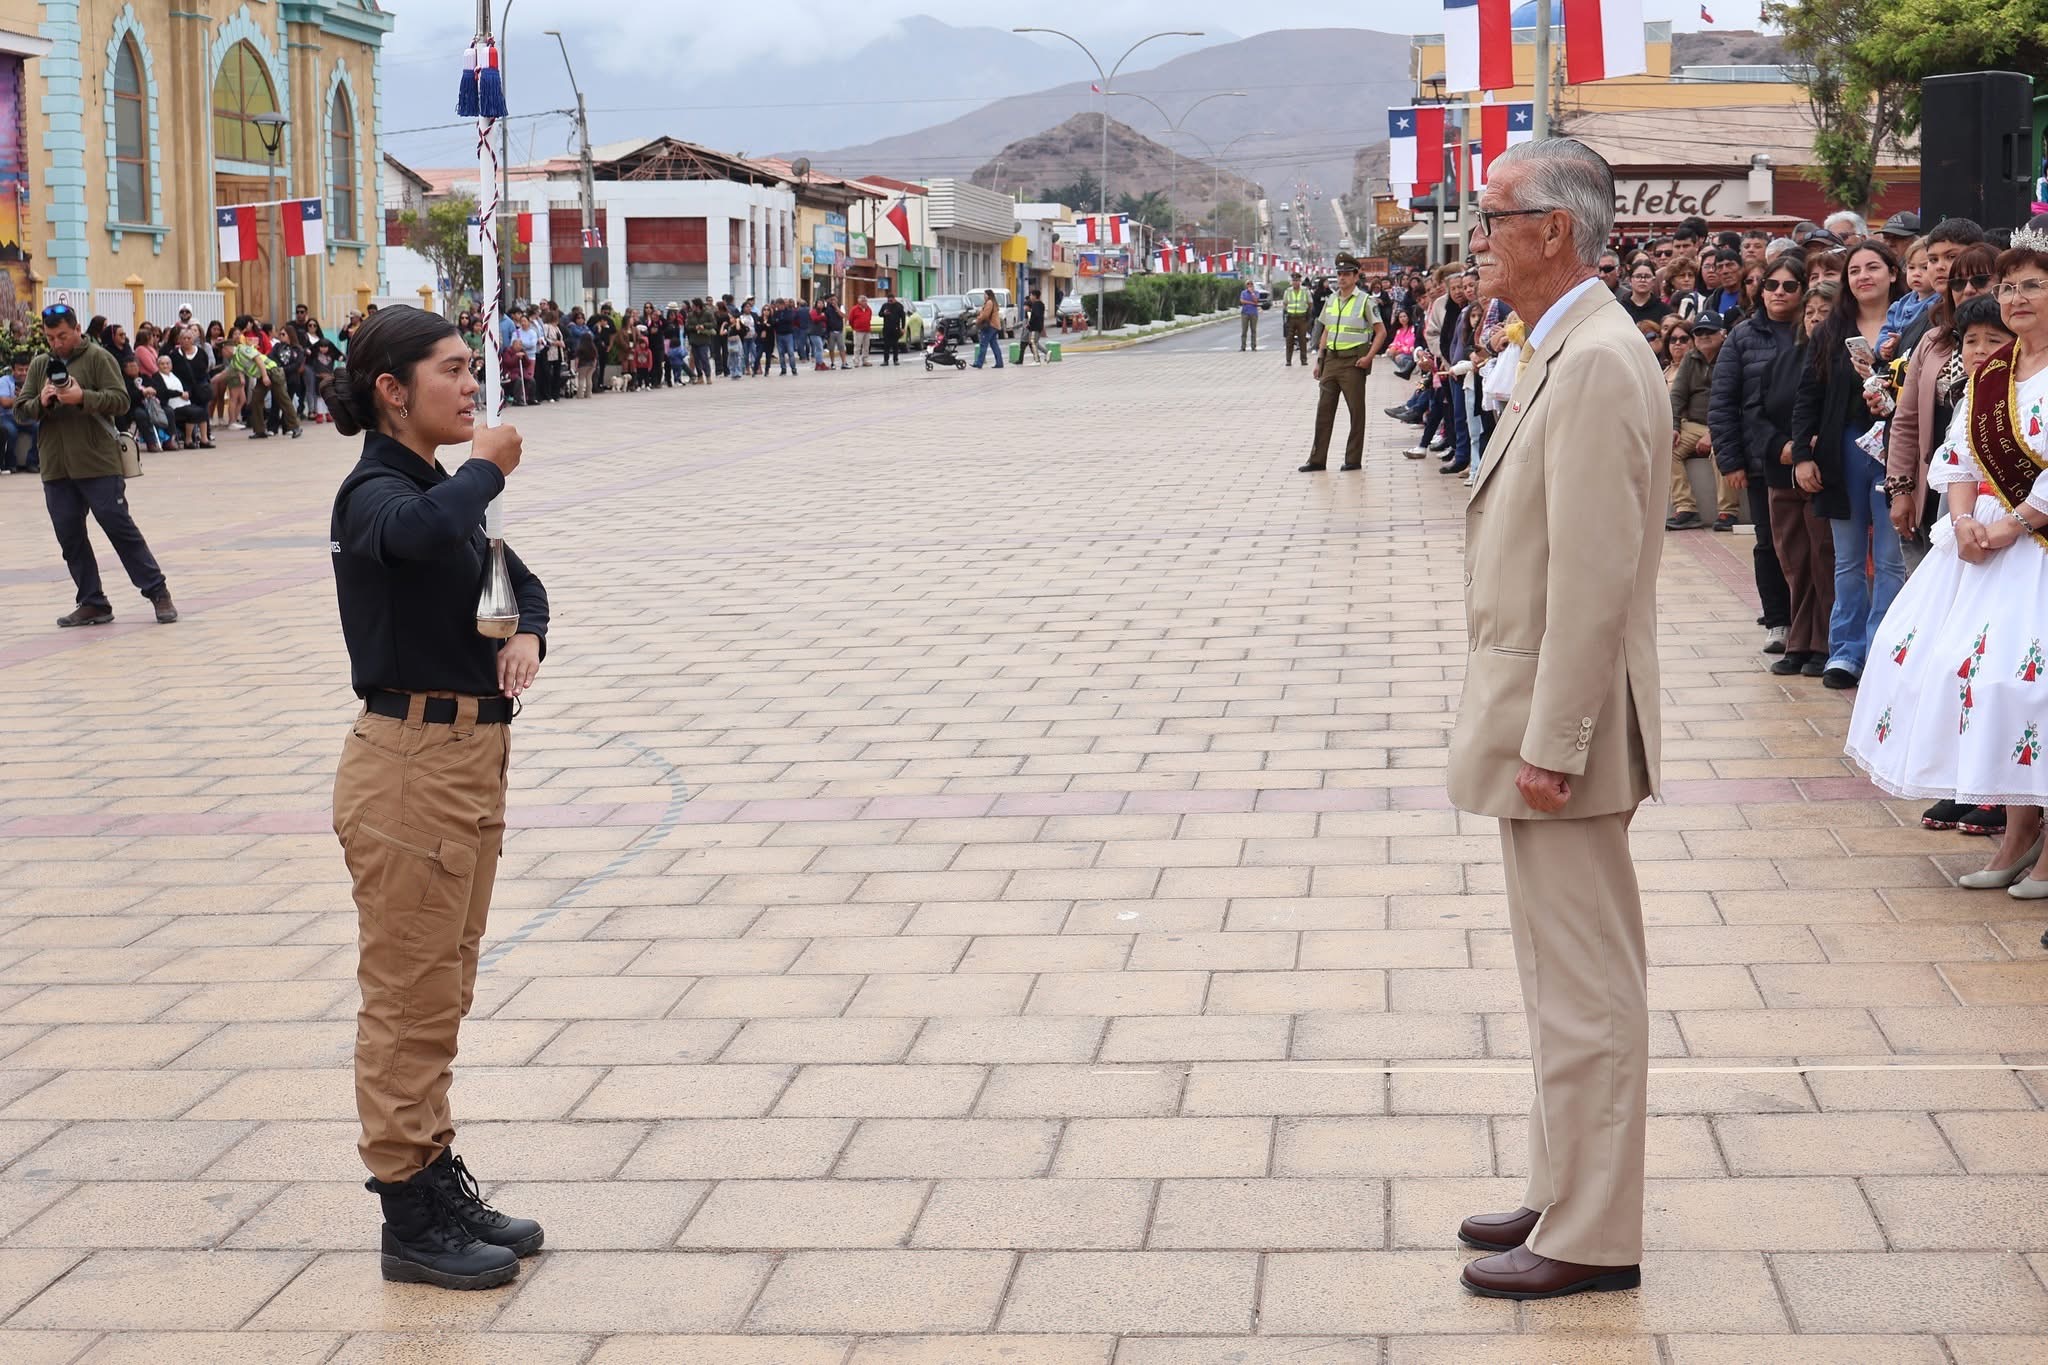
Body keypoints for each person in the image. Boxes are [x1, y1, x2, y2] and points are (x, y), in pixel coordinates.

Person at [1450, 138, 1663, 1302]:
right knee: (1552, 980)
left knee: (1586, 990)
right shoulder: (1561, 345)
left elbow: (1591, 578)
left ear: (1552, 233)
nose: (1475, 236)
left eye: (1490, 218)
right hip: (1539, 719)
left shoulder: (1591, 361)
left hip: (1562, 732)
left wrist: (1554, 742)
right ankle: (1560, 1185)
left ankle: (1591, 1232)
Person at [325, 305, 549, 1291]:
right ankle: (407, 1211)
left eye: (473, 369)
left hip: (468, 760)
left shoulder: (437, 491)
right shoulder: (376, 492)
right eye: (453, 371)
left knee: (444, 983)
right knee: (409, 992)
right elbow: (420, 537)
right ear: (391, 389)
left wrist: (530, 635)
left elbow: (518, 586)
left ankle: (433, 1168)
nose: (471, 387)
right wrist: (486, 468)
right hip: (409, 766)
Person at [1845, 249, 2048, 905]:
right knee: (1971, 675)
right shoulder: (1994, 376)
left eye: (2034, 287)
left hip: (2035, 544)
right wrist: (1964, 524)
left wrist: (2011, 524)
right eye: (2010, 286)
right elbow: (1955, 457)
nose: (2017, 298)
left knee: (2029, 685)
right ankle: (2017, 833)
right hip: (1979, 550)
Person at [15, 304, 177, 628]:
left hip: (98, 462)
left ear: (77, 329)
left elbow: (121, 401)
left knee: (119, 527)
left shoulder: (100, 358)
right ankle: (92, 601)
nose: (56, 343)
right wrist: (42, 402)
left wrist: (82, 397)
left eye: (62, 335)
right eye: (50, 337)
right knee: (69, 537)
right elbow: (21, 411)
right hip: (56, 467)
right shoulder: (40, 365)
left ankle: (157, 592)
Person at [1793, 239, 1907, 689]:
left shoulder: (1912, 325)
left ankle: (1885, 650)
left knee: (1891, 558)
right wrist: (1802, 453)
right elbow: (1808, 396)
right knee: (1847, 560)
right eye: (1854, 270)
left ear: (1892, 273)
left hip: (1895, 453)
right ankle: (1845, 652)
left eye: (1873, 267)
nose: (1863, 276)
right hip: (1842, 452)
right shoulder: (1830, 331)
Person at [1711, 256, 1808, 668]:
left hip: (1810, 454)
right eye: (1772, 285)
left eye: (1789, 286)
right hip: (1759, 459)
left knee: (1812, 545)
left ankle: (1809, 623)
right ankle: (1778, 620)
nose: (1779, 293)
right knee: (1770, 542)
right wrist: (1730, 458)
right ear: (1760, 289)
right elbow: (1723, 401)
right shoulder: (1742, 337)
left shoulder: (1814, 330)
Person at [1297, 252, 1386, 474]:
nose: (1342, 278)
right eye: (1339, 273)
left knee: (1356, 412)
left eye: (1347, 273)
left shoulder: (1366, 300)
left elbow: (1381, 332)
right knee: (1323, 411)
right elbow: (1327, 330)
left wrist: (1368, 357)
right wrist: (1320, 360)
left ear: (1356, 276)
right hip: (1331, 361)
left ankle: (1353, 459)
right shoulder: (1331, 299)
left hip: (1353, 362)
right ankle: (1317, 459)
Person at [1665, 310, 1742, 532]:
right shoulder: (1690, 357)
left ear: (1722, 334)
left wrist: (1715, 432)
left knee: (1722, 449)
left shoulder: (1732, 356)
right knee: (1665, 447)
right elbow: (1677, 396)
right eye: (1698, 333)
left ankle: (1729, 511)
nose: (1703, 336)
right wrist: (1674, 426)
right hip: (1694, 424)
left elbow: (1739, 400)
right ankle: (1685, 509)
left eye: (1709, 331)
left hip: (1726, 424)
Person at [231, 336, 302, 440]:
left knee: (282, 399)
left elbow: (258, 359)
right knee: (256, 400)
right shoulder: (234, 360)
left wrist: (265, 376)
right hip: (261, 376)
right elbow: (237, 370)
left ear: (226, 348)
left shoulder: (242, 349)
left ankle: (295, 427)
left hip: (271, 371)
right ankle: (259, 430)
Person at [0, 353, 39, 472]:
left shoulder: (33, 381)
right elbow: (5, 403)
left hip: (27, 417)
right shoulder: (4, 381)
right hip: (7, 416)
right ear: (13, 369)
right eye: (20, 369)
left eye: (27, 369)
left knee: (41, 427)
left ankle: (32, 462)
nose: (24, 373)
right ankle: (10, 464)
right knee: (10, 431)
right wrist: (21, 397)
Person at [1281, 272, 1313, 365]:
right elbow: (1285, 303)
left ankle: (1304, 360)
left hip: (1302, 318)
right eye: (1294, 281)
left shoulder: (1305, 291)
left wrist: (1308, 314)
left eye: (1297, 281)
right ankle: (1288, 360)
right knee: (1289, 340)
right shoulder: (1288, 291)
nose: (1295, 283)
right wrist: (1286, 314)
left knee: (1302, 339)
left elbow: (1310, 303)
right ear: (1292, 282)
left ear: (1300, 281)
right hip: (1291, 318)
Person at [1619, 262, 1665, 326]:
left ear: (1653, 281)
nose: (1643, 280)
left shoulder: (1664, 310)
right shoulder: (1620, 309)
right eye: (1638, 276)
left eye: (1647, 276)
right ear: (1630, 280)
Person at [971, 290, 1003, 370]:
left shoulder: (989, 303)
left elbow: (985, 315)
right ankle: (999, 363)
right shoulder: (993, 302)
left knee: (983, 344)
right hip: (994, 326)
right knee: (994, 345)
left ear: (988, 295)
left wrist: (977, 320)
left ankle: (979, 363)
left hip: (989, 326)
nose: (984, 296)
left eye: (985, 295)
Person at [879, 291, 906, 367]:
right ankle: (885, 361)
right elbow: (880, 314)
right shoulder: (885, 305)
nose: (890, 301)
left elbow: (903, 317)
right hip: (887, 328)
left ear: (894, 299)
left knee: (895, 345)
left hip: (896, 328)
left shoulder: (899, 306)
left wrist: (903, 327)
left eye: (891, 300)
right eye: (888, 300)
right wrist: (884, 313)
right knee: (886, 345)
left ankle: (895, 360)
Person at [1021, 290, 1047, 362]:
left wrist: (1030, 323)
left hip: (1035, 327)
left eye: (1031, 295)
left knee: (1033, 342)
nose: (1030, 297)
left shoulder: (1036, 304)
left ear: (1035, 296)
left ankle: (1038, 359)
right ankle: (1044, 354)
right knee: (1034, 342)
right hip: (1038, 326)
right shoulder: (1041, 304)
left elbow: (1035, 315)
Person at [848, 295, 873, 367]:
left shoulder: (869, 309)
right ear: (859, 302)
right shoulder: (854, 309)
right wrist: (854, 327)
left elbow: (869, 318)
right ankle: (856, 361)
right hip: (858, 330)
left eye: (865, 301)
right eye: (863, 301)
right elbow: (850, 320)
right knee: (857, 346)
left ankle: (865, 360)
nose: (865, 302)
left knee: (866, 346)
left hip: (867, 330)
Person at [1239, 279, 1261, 351]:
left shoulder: (1256, 292)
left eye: (1251, 284)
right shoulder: (1243, 293)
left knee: (1253, 330)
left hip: (1253, 313)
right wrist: (1251, 303)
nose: (1249, 285)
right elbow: (1242, 301)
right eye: (1248, 284)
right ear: (1246, 285)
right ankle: (1243, 347)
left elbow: (1256, 301)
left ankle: (1253, 346)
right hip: (1245, 313)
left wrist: (1252, 293)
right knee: (1244, 331)